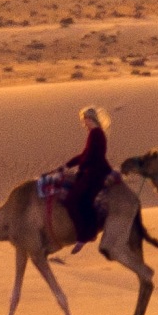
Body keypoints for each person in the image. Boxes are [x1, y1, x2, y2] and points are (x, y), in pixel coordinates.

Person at [58, 105, 112, 248]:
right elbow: (85, 154)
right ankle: (88, 232)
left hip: (94, 174)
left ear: (90, 118)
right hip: (93, 171)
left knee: (72, 200)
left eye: (84, 120)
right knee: (82, 200)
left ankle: (83, 235)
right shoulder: (95, 133)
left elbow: (90, 156)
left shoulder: (96, 134)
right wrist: (68, 165)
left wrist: (78, 168)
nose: (83, 123)